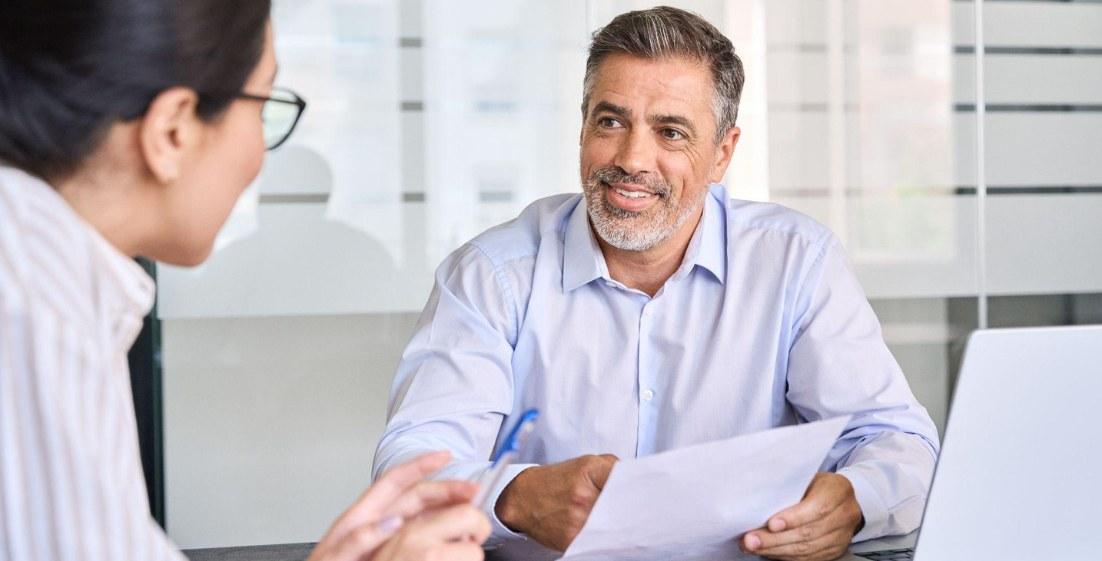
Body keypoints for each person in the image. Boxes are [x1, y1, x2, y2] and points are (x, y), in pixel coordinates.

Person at [372, 6, 939, 561]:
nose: (632, 159)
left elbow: (901, 444)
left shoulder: (795, 263)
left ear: (722, 153)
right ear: (583, 126)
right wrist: (514, 497)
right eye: (611, 121)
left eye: (670, 132)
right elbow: (410, 465)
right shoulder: (492, 275)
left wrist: (855, 500)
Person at [0, 2, 489, 560]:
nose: (259, 155)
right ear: (173, 130)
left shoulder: (60, 281)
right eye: (263, 107)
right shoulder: (31, 313)